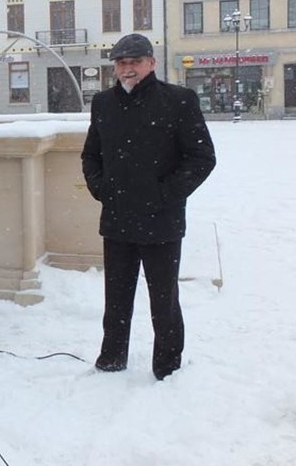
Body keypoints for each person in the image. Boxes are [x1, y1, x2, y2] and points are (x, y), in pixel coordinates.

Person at [81, 33, 217, 381]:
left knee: (164, 299)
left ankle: (167, 366)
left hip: (162, 220)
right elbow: (91, 155)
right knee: (116, 298)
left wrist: (164, 194)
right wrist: (101, 189)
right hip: (117, 217)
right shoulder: (103, 103)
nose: (127, 69)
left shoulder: (179, 100)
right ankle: (111, 358)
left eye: (135, 62)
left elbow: (201, 158)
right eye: (121, 63)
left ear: (151, 64)